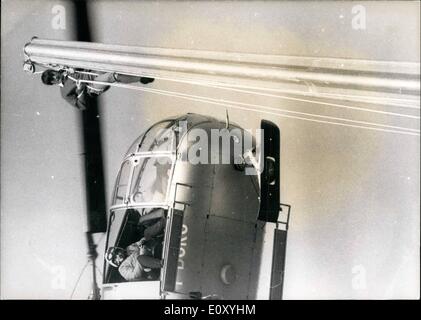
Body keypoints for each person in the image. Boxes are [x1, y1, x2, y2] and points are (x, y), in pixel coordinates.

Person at [41, 69, 154, 110]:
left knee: (111, 65)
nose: (55, 76)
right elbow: (81, 106)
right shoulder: (64, 93)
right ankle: (142, 78)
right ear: (53, 83)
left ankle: (139, 69)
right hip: (92, 87)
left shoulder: (65, 68)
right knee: (111, 76)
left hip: (93, 72)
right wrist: (80, 90)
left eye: (53, 73)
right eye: (53, 78)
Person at [106, 211, 166, 281]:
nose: (118, 256)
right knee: (140, 259)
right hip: (150, 271)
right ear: (115, 263)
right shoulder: (122, 269)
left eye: (117, 252)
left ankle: (164, 221)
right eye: (115, 258)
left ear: (119, 249)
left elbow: (139, 243)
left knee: (146, 233)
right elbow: (135, 275)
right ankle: (163, 263)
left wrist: (142, 241)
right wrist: (141, 252)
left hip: (151, 251)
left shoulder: (128, 248)